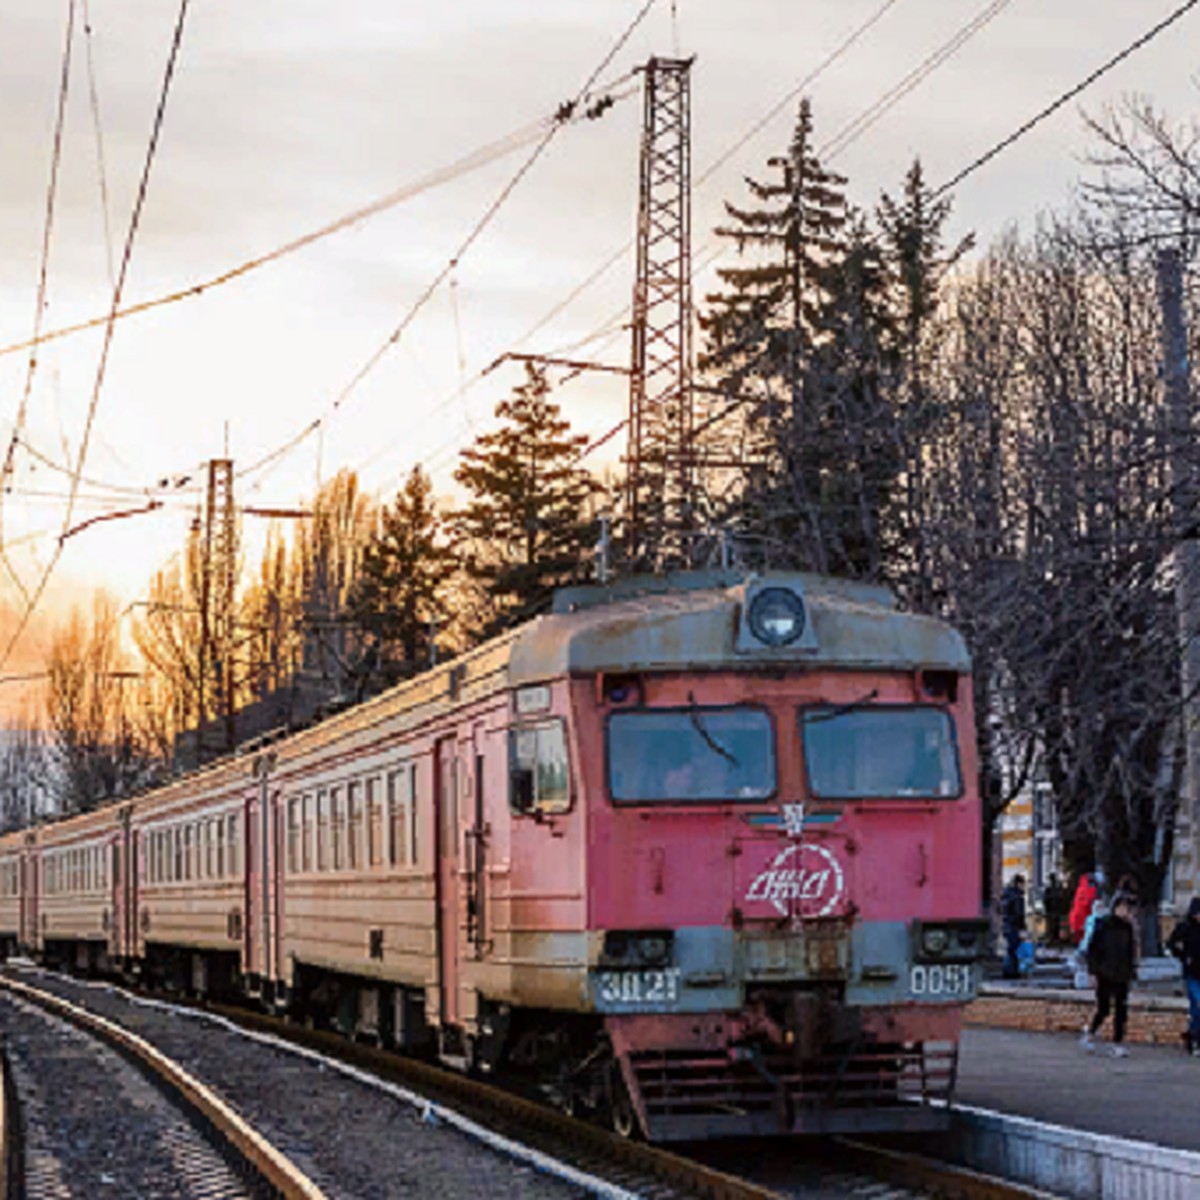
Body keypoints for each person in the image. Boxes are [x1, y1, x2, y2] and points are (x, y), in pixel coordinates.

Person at [1081, 890, 1137, 1058]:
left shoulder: (1127, 928)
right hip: (1104, 973)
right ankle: (1090, 1032)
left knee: (1121, 1010)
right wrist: (1092, 972)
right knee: (1103, 1008)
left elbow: (1130, 951)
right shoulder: (1103, 925)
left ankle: (1117, 1043)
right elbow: (1093, 950)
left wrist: (1131, 970)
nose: (1124, 912)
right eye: (1122, 908)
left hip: (1121, 974)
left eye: (1127, 909)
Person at [1166, 897, 1200, 1055]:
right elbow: (1171, 943)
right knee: (1198, 1004)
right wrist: (1183, 956)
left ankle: (1193, 1036)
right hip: (1192, 972)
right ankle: (1194, 1039)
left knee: (1196, 1009)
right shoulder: (1185, 928)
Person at [1000, 875, 1026, 980]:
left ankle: (1007, 971)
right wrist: (1022, 927)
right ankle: (1012, 972)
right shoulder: (1017, 897)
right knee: (1013, 950)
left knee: (1009, 950)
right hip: (1013, 925)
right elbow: (1019, 913)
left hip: (1006, 924)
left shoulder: (1005, 894)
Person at [1069, 868, 1103, 944]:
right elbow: (1089, 901)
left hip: (1079, 919)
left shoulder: (1082, 888)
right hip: (1082, 919)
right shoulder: (1089, 888)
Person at [1043, 873, 1065, 944]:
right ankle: (1054, 938)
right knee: (1055, 924)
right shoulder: (1057, 889)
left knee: (1053, 925)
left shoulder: (1050, 889)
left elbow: (1046, 900)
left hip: (1052, 910)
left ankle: (1053, 937)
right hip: (1055, 910)